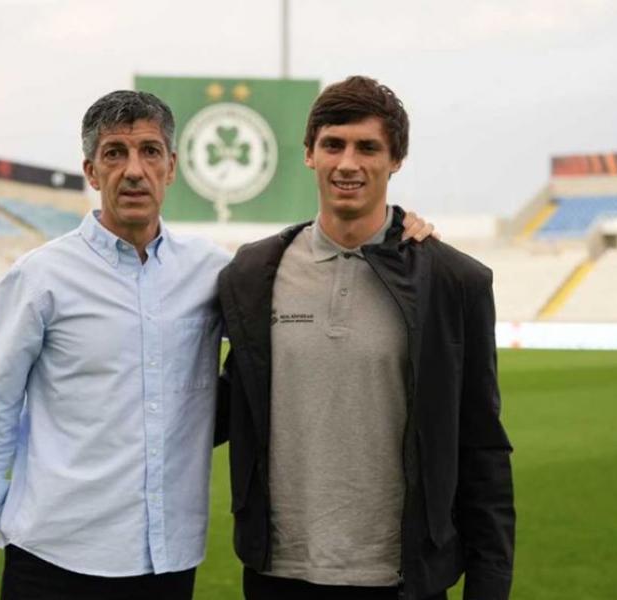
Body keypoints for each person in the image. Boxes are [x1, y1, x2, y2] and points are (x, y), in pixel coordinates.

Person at [0, 89, 435, 600]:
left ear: (172, 166)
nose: (133, 170)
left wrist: (400, 232)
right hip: (56, 556)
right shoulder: (39, 278)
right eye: (115, 153)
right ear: (91, 172)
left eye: (150, 152)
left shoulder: (213, 271)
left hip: (169, 563)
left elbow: (304, 300)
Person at [217, 76, 516, 600]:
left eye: (368, 148)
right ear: (310, 154)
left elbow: (481, 444)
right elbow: (218, 403)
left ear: (395, 158)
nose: (348, 163)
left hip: (402, 580)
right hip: (278, 573)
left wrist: (489, 584)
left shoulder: (451, 282)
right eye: (333, 145)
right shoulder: (252, 272)